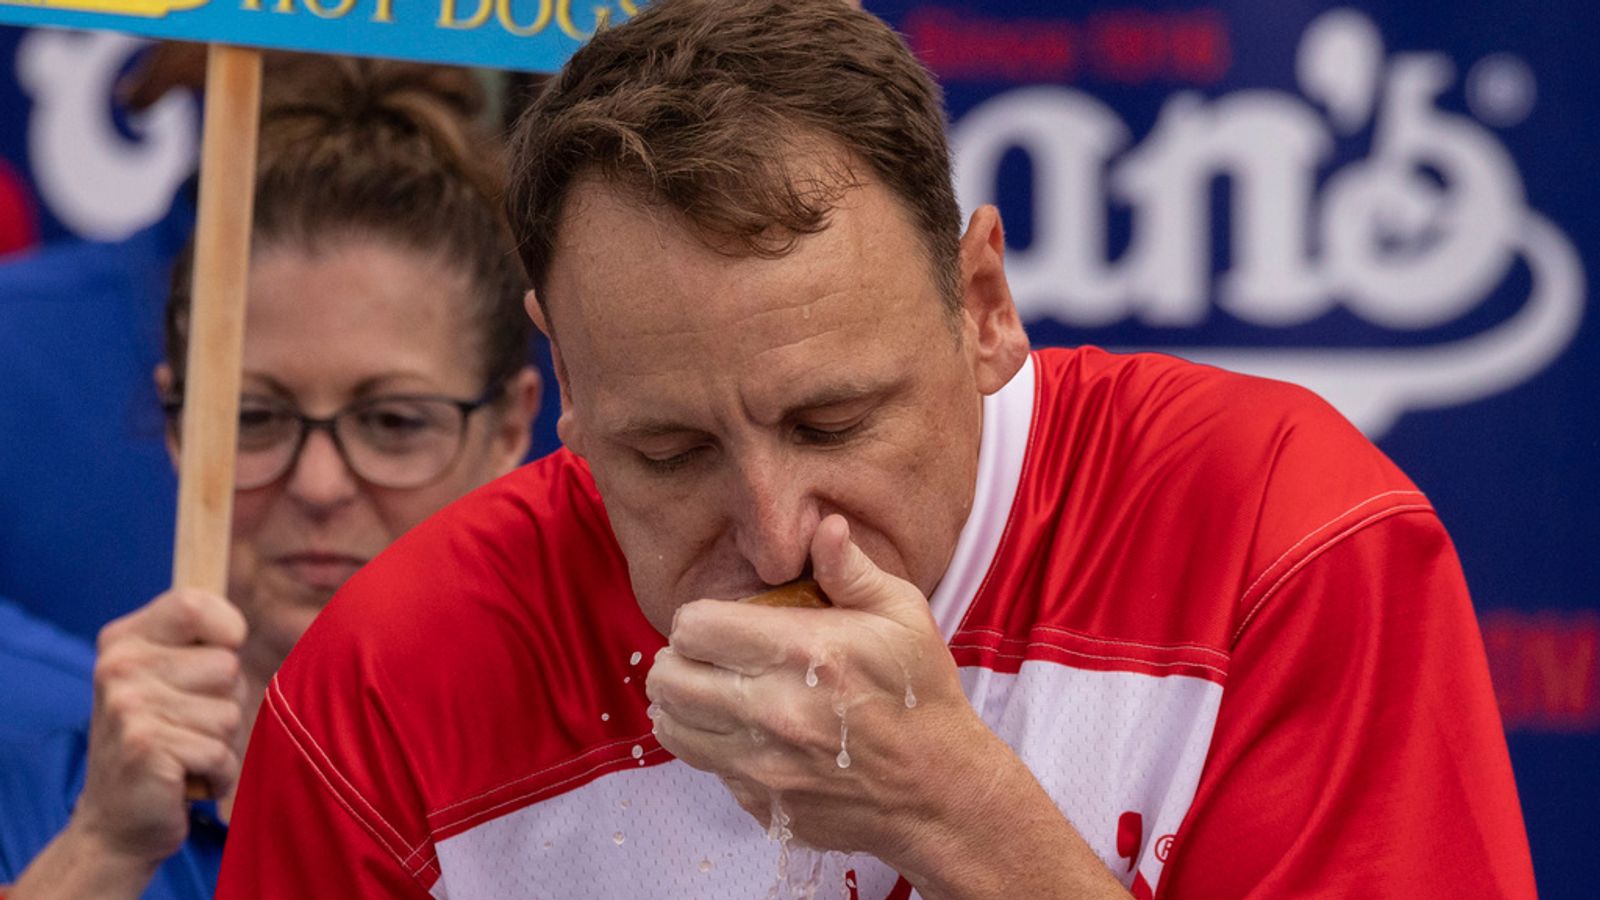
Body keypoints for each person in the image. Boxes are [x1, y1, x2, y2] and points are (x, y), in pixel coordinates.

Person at [216, 1, 1537, 897]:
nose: (775, 527)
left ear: (983, 306)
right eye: (668, 450)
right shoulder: (386, 689)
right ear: (562, 375)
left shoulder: (1277, 538)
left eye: (834, 423)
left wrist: (959, 814)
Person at [0, 54, 540, 900]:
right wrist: (101, 850)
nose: (319, 484)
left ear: (511, 425)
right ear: (179, 423)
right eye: (254, 418)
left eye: (393, 422)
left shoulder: (613, 778)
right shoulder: (38, 796)